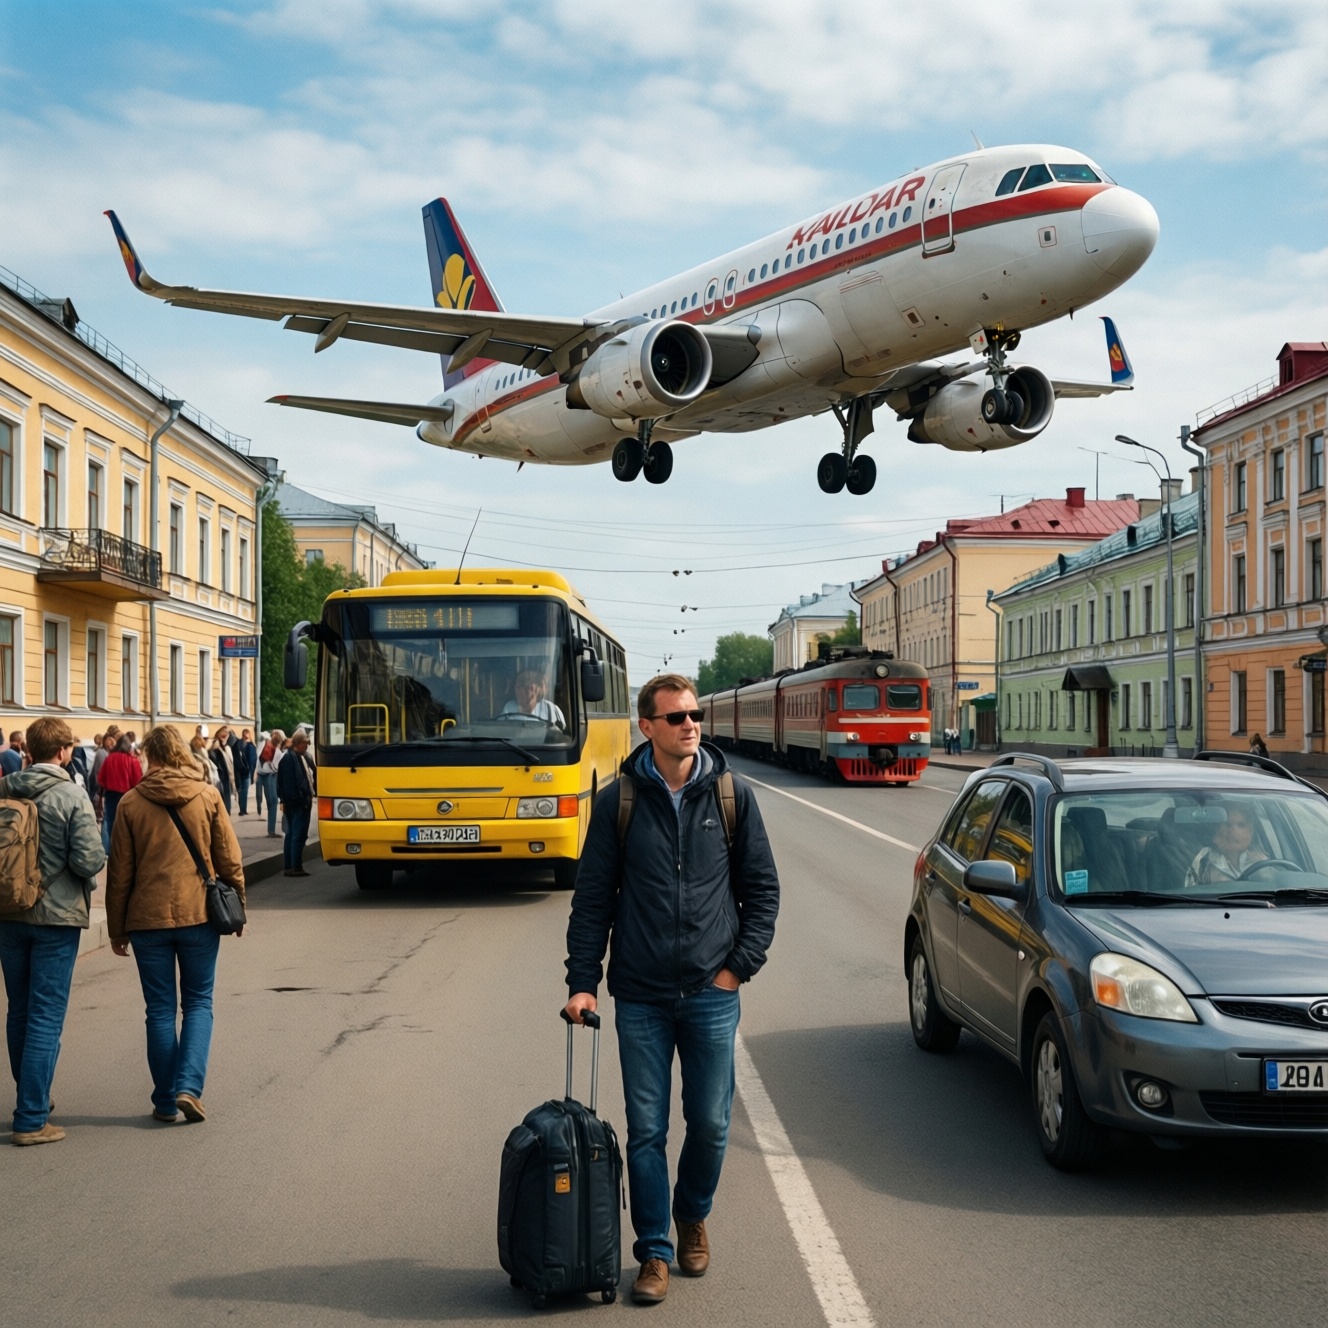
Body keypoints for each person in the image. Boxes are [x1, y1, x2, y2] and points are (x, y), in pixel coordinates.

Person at [564, 673, 780, 1305]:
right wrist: (583, 983)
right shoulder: (620, 800)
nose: (691, 724)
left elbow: (762, 892)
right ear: (648, 727)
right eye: (677, 716)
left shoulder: (732, 796)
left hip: (713, 993)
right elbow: (593, 899)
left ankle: (693, 1214)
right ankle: (654, 1251)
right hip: (641, 994)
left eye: (695, 714)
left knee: (711, 1124)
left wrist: (737, 967)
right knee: (646, 1130)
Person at [106, 725, 245, 1124]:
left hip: (147, 921)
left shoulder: (131, 803)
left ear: (150, 755)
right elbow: (229, 859)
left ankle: (166, 1100)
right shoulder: (207, 795)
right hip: (200, 915)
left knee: (160, 1010)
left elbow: (120, 874)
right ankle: (189, 1087)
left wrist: (117, 929)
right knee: (199, 1003)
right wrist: (239, 910)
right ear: (182, 753)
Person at [0, 717, 107, 1145]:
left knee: (19, 1011)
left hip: (8, 913)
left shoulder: (5, 788)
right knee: (45, 1015)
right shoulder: (70, 795)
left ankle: (33, 1097)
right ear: (63, 751)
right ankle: (31, 1117)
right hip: (55, 918)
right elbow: (88, 860)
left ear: (28, 751)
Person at [1185, 803, 1269, 886]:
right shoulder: (1205, 858)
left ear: (1251, 831)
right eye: (1228, 825)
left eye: (1241, 825)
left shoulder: (1261, 862)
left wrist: (1265, 872)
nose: (1234, 831)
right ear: (1217, 831)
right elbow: (1191, 889)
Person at [276, 730, 316, 877]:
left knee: (293, 834)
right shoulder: (289, 759)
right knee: (296, 835)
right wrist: (300, 801)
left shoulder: (297, 756)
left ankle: (291, 866)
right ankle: (294, 866)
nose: (307, 746)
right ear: (299, 743)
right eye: (306, 743)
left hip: (297, 803)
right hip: (297, 804)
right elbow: (288, 785)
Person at [98, 733, 143, 852]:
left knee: (111, 824)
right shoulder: (132, 761)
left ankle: (112, 849)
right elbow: (138, 781)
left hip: (111, 795)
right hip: (128, 796)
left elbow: (101, 779)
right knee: (127, 826)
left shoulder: (109, 758)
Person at [501, 669, 565, 727]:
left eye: (521, 686)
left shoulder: (550, 708)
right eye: (516, 687)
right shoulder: (509, 707)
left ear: (533, 689)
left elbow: (560, 733)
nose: (517, 690)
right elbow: (502, 730)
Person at [257, 729, 284, 838]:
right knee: (273, 802)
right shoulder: (278, 752)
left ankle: (270, 830)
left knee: (268, 802)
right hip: (270, 776)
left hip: (260, 774)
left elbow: (257, 757)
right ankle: (271, 830)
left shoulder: (263, 744)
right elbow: (276, 767)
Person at [209, 728, 235, 813]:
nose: (227, 736)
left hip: (227, 778)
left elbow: (230, 764)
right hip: (221, 779)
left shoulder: (226, 748)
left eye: (228, 734)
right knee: (223, 805)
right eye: (225, 734)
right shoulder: (215, 749)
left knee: (226, 805)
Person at [235, 728, 257, 817]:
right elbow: (252, 760)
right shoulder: (248, 745)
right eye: (245, 734)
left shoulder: (242, 744)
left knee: (243, 790)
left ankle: (243, 809)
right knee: (244, 790)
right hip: (246, 770)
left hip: (244, 770)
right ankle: (242, 809)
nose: (246, 736)